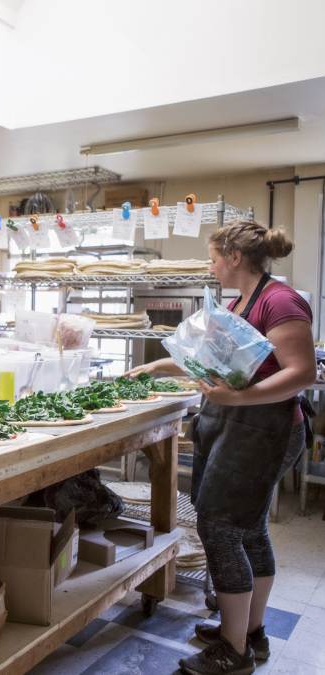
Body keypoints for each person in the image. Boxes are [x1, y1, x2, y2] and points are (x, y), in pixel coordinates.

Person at [128, 220, 315, 675]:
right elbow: (213, 357)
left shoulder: (280, 300)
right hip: (242, 425)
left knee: (220, 526)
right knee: (249, 529)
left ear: (234, 257)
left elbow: (302, 372)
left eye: (213, 258)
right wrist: (160, 365)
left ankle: (234, 652)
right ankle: (249, 631)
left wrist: (239, 397)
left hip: (265, 429)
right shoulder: (243, 300)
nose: (211, 267)